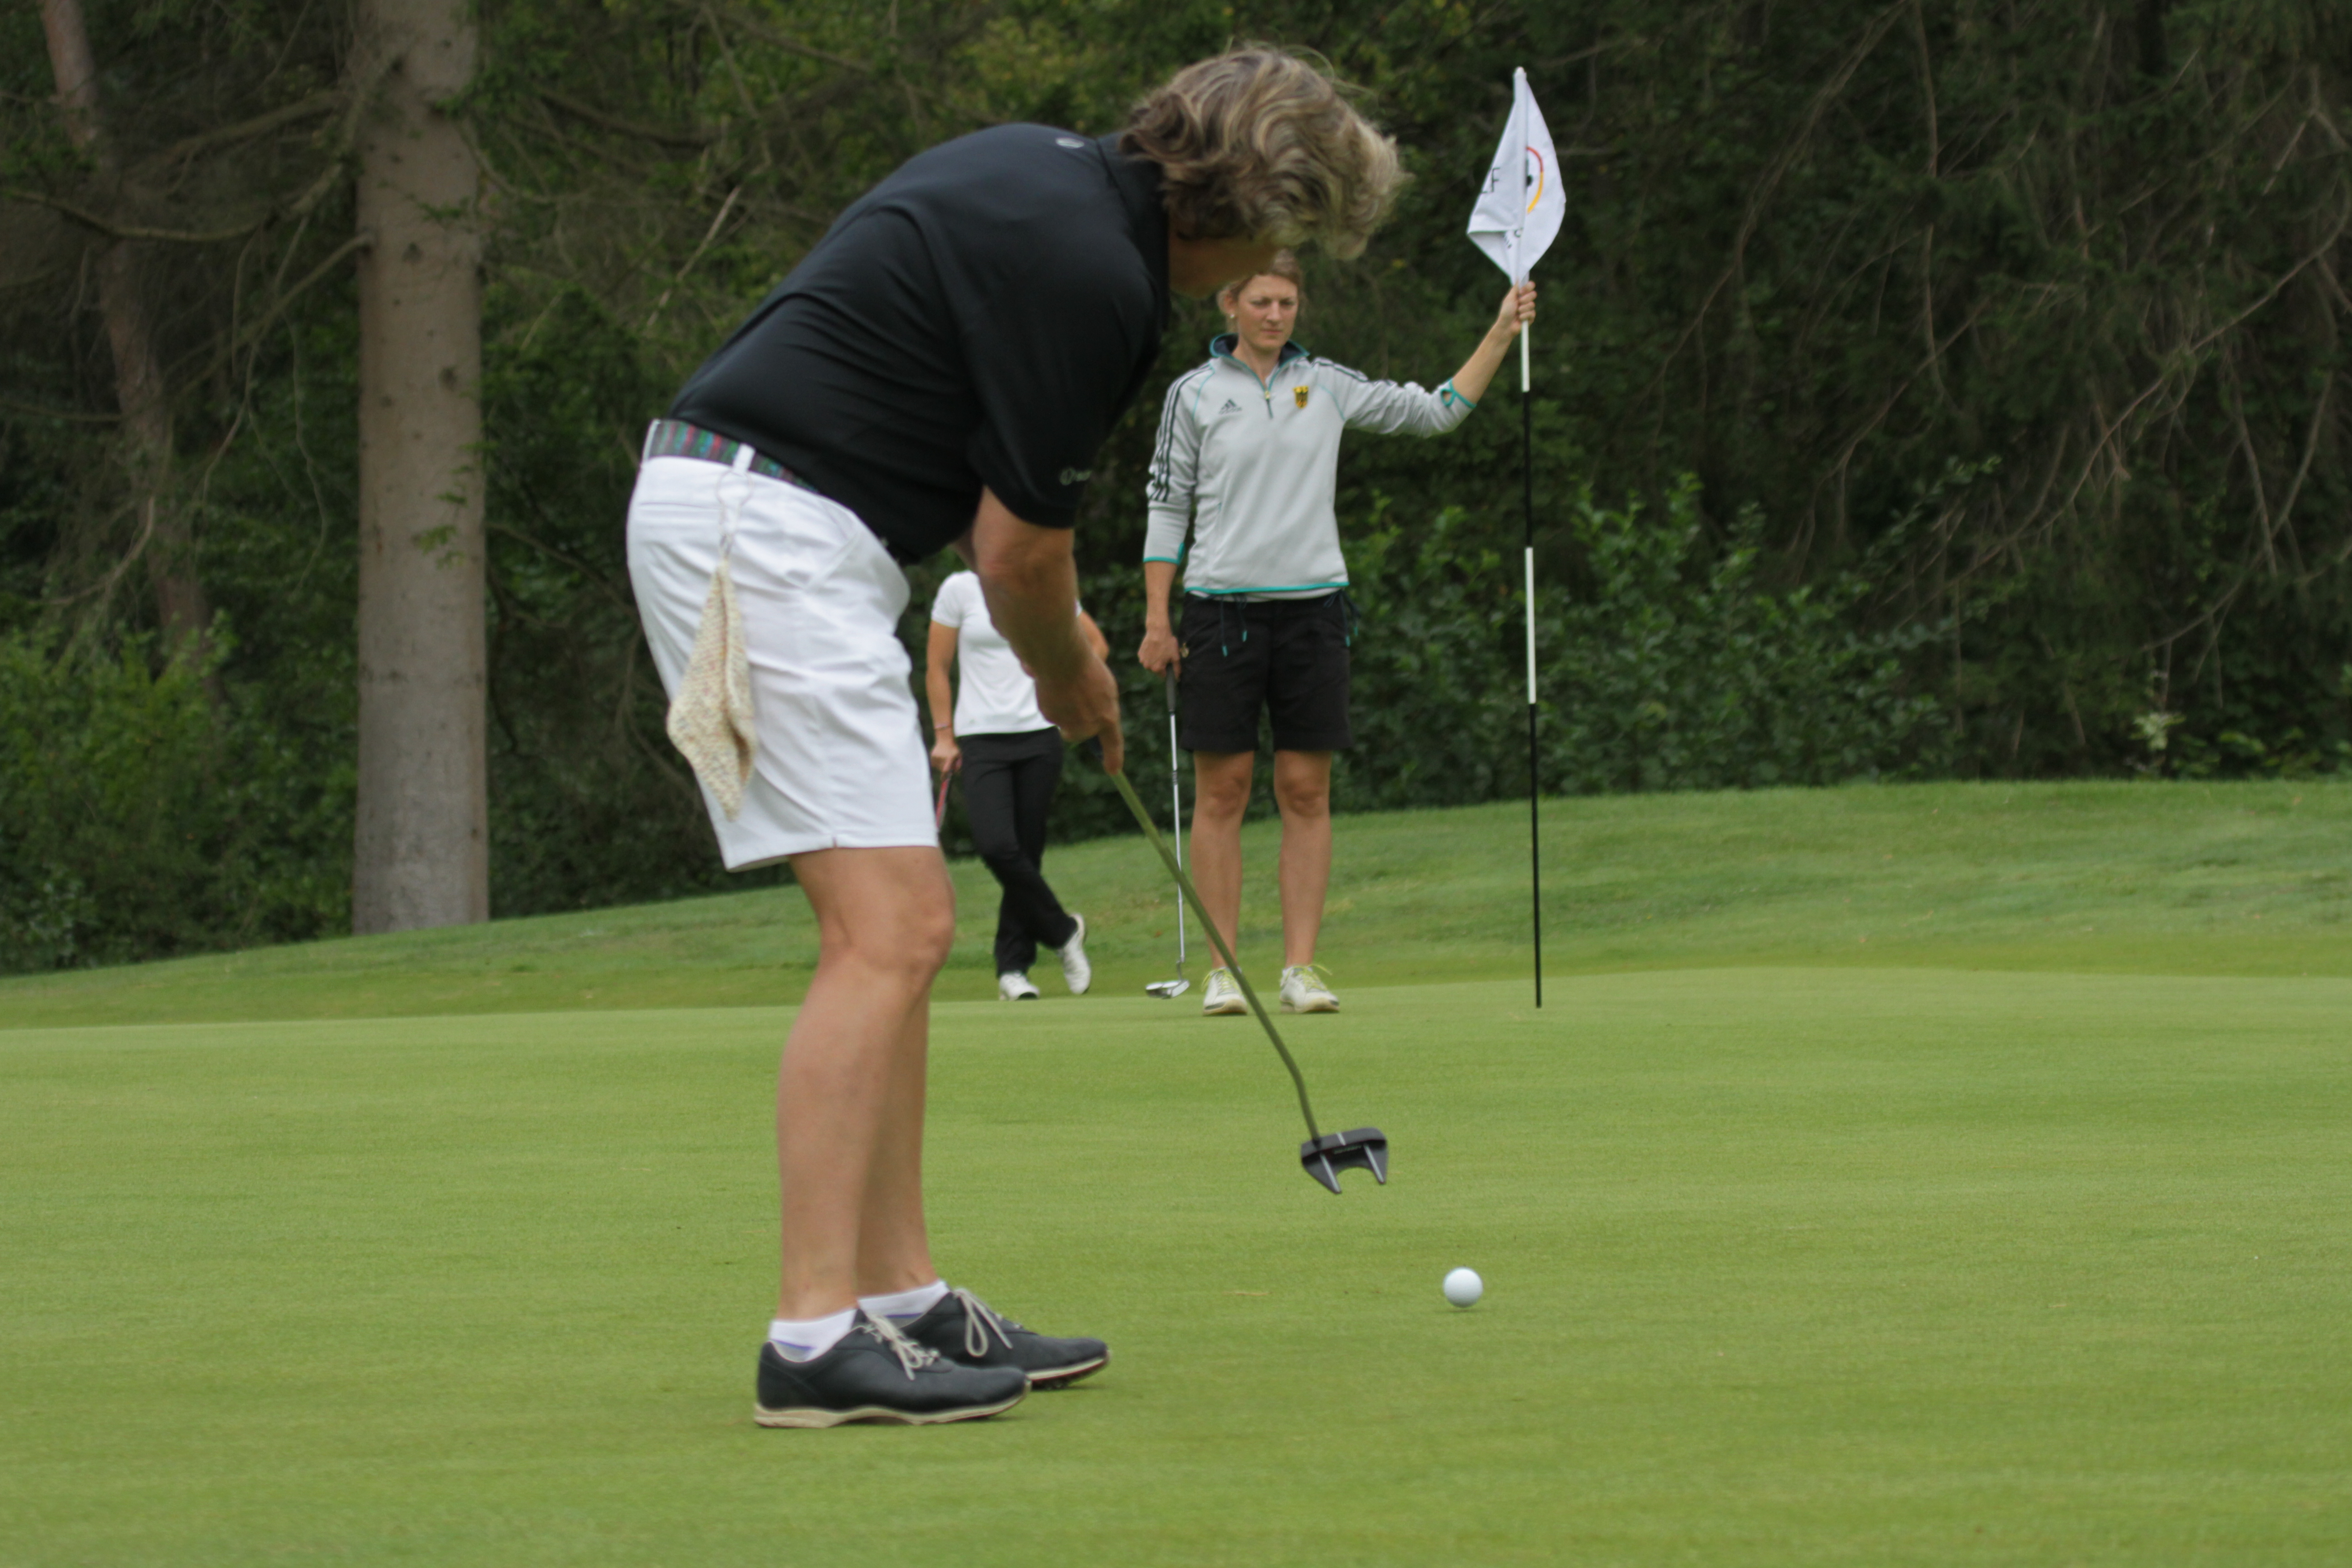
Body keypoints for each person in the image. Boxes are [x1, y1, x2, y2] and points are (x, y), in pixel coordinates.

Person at [625, 49, 1404, 1427]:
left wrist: (1063, 644)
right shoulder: (1099, 276)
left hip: (774, 522)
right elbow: (1015, 554)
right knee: (892, 930)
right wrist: (1072, 679)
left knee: (902, 928)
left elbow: (999, 519)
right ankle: (810, 1339)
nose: (1265, 269)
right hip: (767, 529)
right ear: (1247, 212)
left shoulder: (1039, 172)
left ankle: (905, 1297)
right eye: (1284, 240)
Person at [1137, 253, 1535, 1018]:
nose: (1274, 315)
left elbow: (1436, 412)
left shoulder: (1324, 383)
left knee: (1305, 789)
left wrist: (1498, 332)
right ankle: (1224, 972)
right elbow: (1167, 507)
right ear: (1229, 303)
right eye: (1260, 301)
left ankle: (1299, 969)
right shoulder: (1192, 394)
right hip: (1219, 612)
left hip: (1313, 611)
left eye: (1286, 302)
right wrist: (1157, 620)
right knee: (1222, 791)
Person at [926, 570, 1107, 1001]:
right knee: (996, 847)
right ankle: (1063, 932)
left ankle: (1013, 970)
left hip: (1040, 736)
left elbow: (1095, 644)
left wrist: (1063, 690)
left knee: (1026, 853)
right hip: (980, 737)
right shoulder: (959, 588)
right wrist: (943, 735)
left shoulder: (1043, 579)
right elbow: (937, 667)